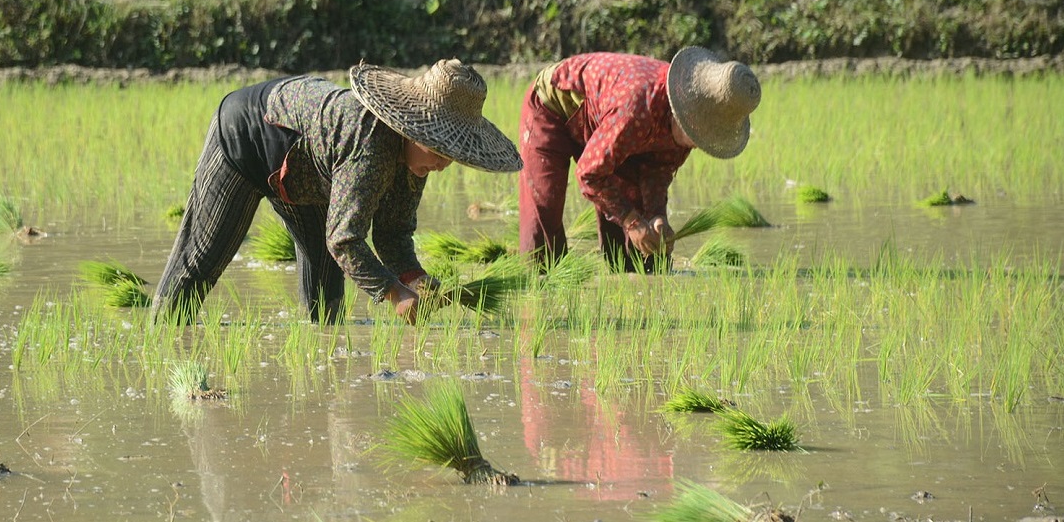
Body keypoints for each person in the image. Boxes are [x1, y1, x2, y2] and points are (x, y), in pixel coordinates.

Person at [151, 58, 523, 326]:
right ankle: (159, 342)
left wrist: (414, 278)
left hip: (312, 173)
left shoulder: (416, 161)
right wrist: (394, 295)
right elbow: (345, 239)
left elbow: (392, 233)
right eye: (440, 150)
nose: (443, 164)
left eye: (452, 155)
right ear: (413, 129)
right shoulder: (370, 147)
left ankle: (317, 380)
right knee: (199, 263)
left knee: (325, 299)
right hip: (248, 135)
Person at [517, 46, 761, 272]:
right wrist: (631, 221)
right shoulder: (635, 110)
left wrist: (656, 216)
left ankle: (628, 288)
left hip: (606, 123)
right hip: (553, 107)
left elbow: (658, 170)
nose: (697, 144)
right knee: (545, 214)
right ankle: (540, 290)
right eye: (697, 136)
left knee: (644, 252)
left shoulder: (688, 126)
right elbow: (590, 173)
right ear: (682, 113)